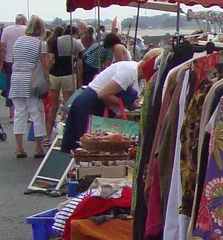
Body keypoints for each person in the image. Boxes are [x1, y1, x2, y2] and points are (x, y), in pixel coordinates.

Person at [60, 57, 141, 154]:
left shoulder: (133, 71)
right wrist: (127, 104)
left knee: (90, 149)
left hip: (93, 104)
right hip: (91, 106)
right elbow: (103, 94)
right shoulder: (130, 71)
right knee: (88, 149)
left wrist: (127, 104)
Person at [7, 15, 50, 158]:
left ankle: (19, 148)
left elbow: (14, 59)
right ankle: (38, 147)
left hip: (16, 78)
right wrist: (48, 80)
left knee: (19, 113)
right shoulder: (40, 44)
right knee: (37, 113)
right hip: (32, 80)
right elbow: (44, 64)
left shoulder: (18, 41)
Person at [45, 23, 78, 133]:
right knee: (67, 104)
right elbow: (80, 61)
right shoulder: (75, 43)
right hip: (68, 74)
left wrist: (47, 74)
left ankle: (48, 135)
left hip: (55, 74)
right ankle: (64, 131)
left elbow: (50, 60)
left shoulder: (55, 41)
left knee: (53, 106)